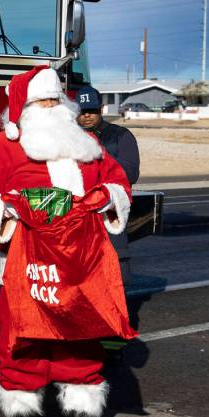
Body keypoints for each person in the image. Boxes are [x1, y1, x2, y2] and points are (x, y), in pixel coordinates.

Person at [0, 66, 135, 417]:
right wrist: (8, 209)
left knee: (81, 353)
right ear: (22, 107)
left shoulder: (88, 145)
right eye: (41, 99)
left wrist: (106, 198)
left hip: (80, 273)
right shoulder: (2, 149)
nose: (52, 104)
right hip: (27, 272)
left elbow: (118, 183)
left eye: (55, 98)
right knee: (20, 350)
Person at [77, 85, 140, 284]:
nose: (86, 116)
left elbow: (130, 172)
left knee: (115, 279)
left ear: (101, 109)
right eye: (81, 111)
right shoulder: (68, 138)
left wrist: (97, 157)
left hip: (110, 216)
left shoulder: (121, 135)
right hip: (77, 220)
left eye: (92, 111)